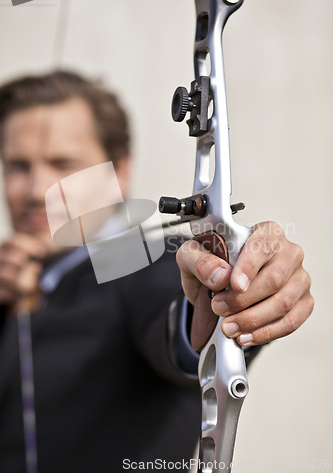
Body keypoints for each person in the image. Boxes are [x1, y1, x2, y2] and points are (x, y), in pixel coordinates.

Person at [0, 71, 313, 473]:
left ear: (120, 172)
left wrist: (230, 296)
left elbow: (181, 322)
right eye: (18, 166)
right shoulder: (24, 279)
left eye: (63, 164)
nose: (34, 190)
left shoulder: (145, 261)